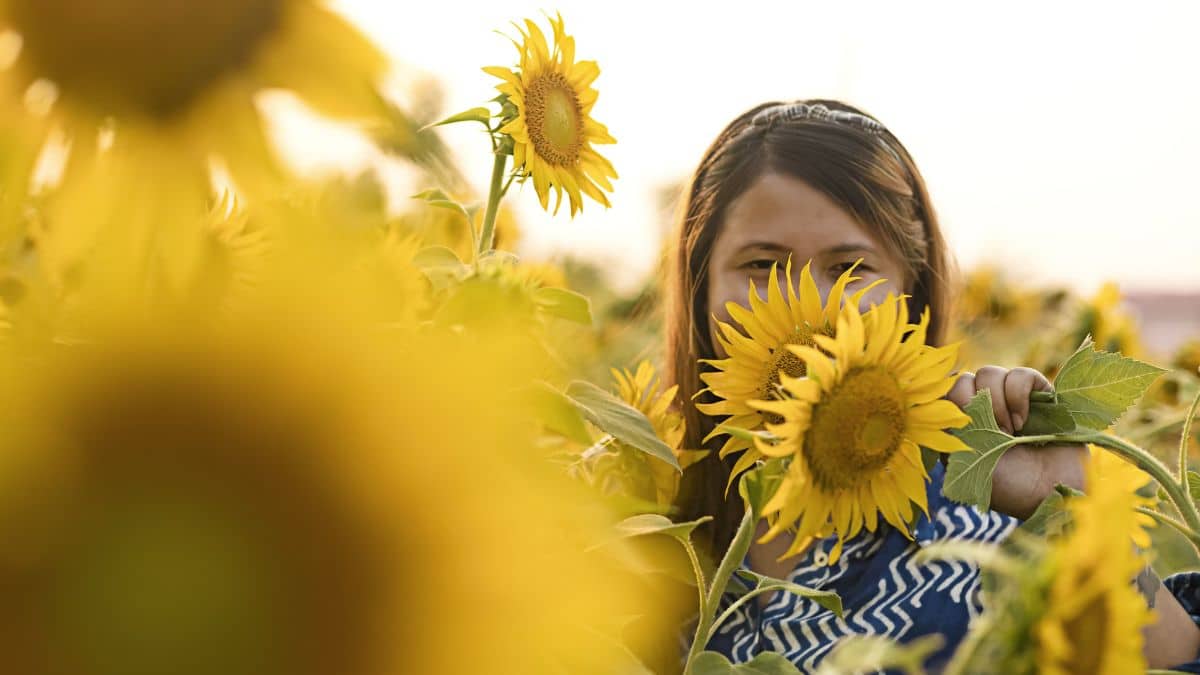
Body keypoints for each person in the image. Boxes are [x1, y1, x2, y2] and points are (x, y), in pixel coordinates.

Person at [663, 99, 1200, 671]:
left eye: (850, 270)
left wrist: (1069, 513)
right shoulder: (638, 513)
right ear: (701, 288)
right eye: (763, 266)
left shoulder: (984, 529)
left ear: (910, 292)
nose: (807, 308)